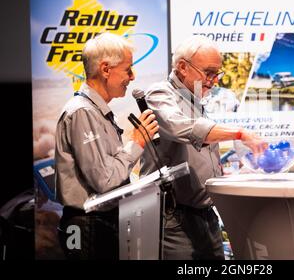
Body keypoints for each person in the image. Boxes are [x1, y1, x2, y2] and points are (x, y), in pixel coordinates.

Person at [141, 35, 265, 260]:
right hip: (174, 219)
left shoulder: (195, 99)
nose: (214, 80)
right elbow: (181, 128)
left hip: (205, 215)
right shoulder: (159, 94)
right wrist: (238, 133)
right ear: (182, 67)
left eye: (217, 74)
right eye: (209, 72)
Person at [54, 33, 159, 260]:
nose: (132, 77)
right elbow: (105, 181)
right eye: (128, 69)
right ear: (105, 69)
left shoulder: (96, 111)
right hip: (88, 226)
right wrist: (137, 142)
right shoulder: (82, 112)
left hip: (101, 223)